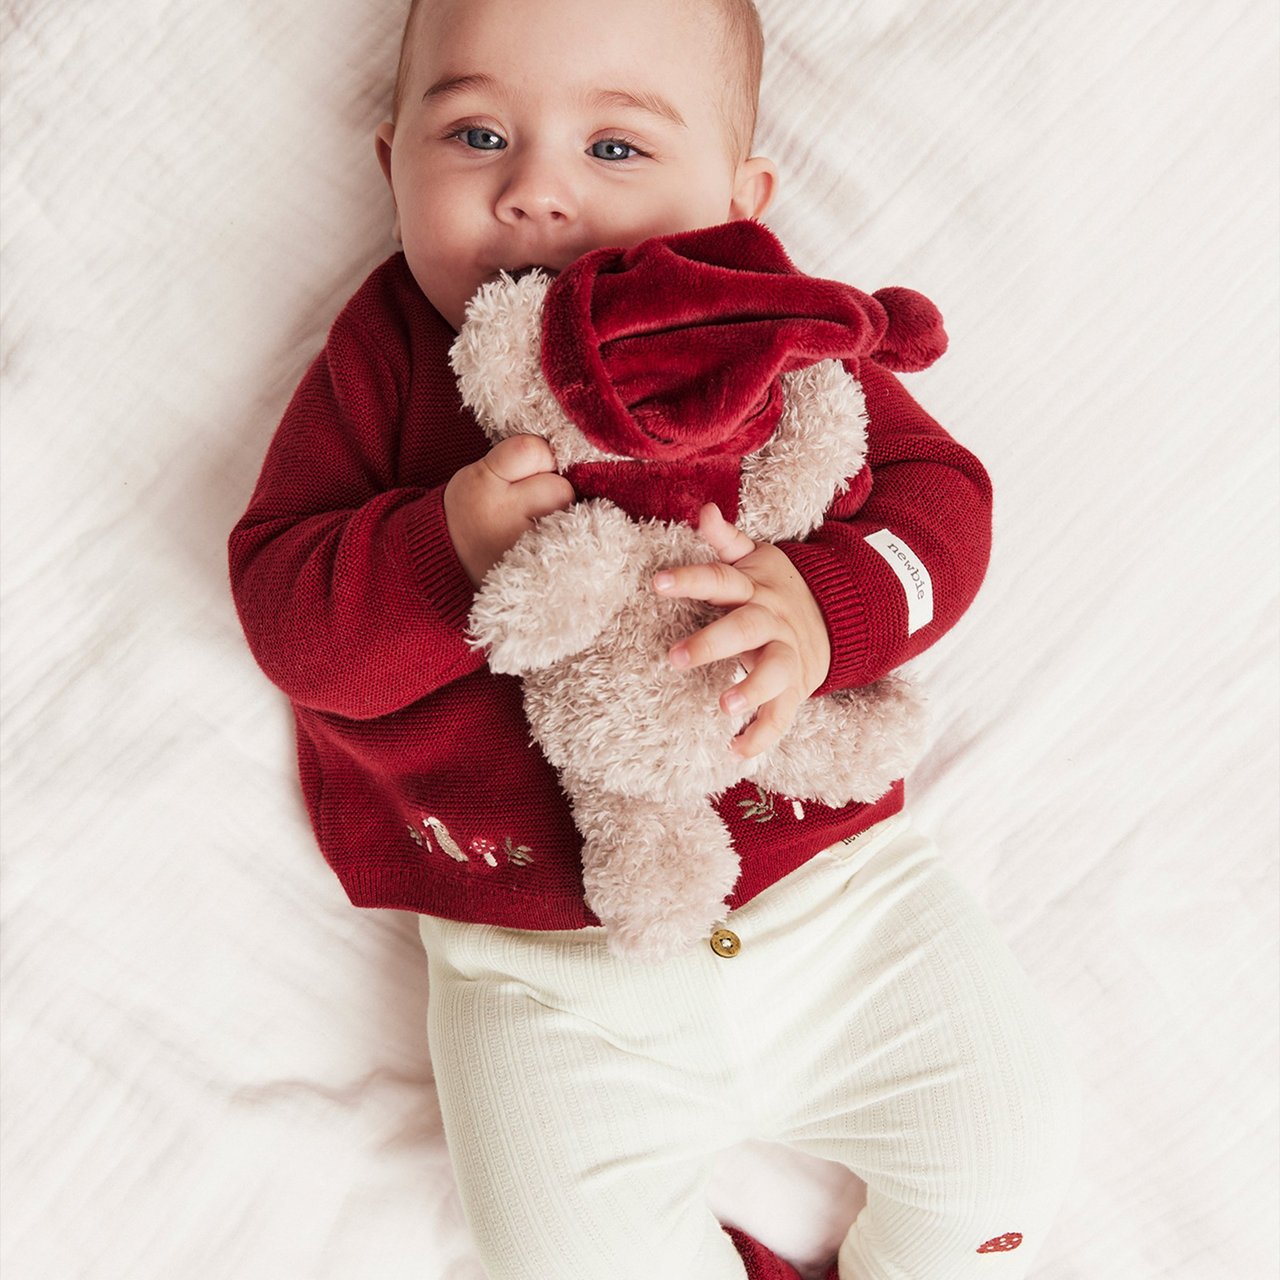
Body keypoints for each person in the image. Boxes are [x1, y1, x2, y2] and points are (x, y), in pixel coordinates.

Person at [228, 0, 1080, 1276]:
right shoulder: (387, 365)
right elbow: (290, 617)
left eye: (614, 149)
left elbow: (938, 503)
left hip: (838, 901)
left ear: (737, 197)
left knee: (1005, 1157)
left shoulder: (764, 324)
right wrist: (439, 551)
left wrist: (827, 606)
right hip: (539, 972)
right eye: (473, 133)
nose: (533, 192)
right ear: (388, 161)